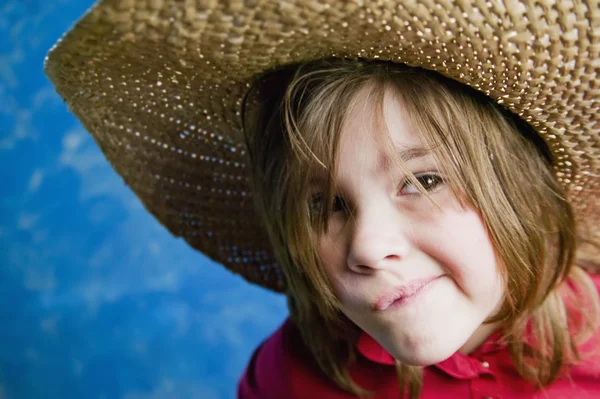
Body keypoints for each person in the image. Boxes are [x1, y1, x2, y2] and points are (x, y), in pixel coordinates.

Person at [44, 0, 600, 398]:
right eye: (327, 204)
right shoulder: (289, 381)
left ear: (527, 190)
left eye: (423, 181)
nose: (367, 245)